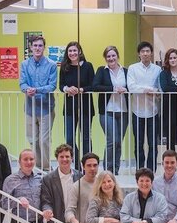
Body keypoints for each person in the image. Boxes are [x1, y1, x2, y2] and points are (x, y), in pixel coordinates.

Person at [19, 35, 57, 171]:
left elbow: (52, 86)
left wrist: (36, 90)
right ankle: (38, 167)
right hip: (30, 108)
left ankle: (46, 169)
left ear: (44, 47)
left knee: (44, 140)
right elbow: (22, 83)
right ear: (30, 47)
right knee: (33, 140)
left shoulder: (51, 65)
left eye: (40, 45)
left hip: (46, 108)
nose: (37, 48)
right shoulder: (24, 64)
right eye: (35, 45)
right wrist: (26, 89)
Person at [91, 45, 129, 175]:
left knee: (119, 142)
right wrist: (113, 88)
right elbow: (95, 86)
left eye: (113, 55)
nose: (111, 58)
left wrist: (125, 90)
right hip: (107, 111)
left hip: (123, 110)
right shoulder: (102, 70)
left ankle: (115, 170)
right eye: (108, 56)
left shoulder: (126, 71)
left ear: (117, 56)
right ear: (105, 58)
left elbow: (131, 87)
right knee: (111, 140)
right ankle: (107, 170)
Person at [59, 41, 95, 170]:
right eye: (70, 51)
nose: (72, 53)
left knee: (85, 137)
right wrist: (67, 89)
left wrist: (80, 90)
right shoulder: (64, 67)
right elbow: (60, 85)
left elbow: (93, 85)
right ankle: (77, 164)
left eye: (75, 50)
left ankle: (87, 164)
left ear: (80, 51)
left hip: (85, 106)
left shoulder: (88, 66)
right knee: (69, 137)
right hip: (69, 107)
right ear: (67, 53)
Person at [127, 41, 162, 171]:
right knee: (138, 143)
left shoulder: (158, 69)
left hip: (153, 110)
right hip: (137, 111)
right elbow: (131, 87)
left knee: (153, 143)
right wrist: (147, 90)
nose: (146, 53)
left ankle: (152, 170)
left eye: (148, 51)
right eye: (143, 51)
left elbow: (159, 88)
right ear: (139, 54)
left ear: (151, 53)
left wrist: (155, 92)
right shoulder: (132, 68)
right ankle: (140, 169)